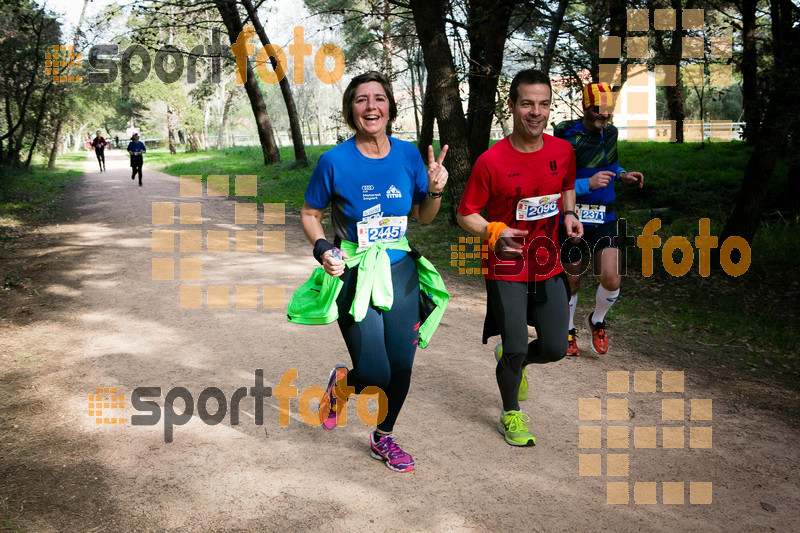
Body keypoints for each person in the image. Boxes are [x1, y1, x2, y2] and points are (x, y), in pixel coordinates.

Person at [288, 71, 449, 473]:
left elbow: (424, 216)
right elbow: (310, 214)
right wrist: (323, 247)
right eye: (361, 100)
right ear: (350, 111)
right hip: (354, 270)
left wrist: (435, 189)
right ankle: (343, 385)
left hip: (400, 269)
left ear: (390, 107)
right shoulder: (334, 161)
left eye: (379, 98)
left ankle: (384, 437)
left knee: (403, 367)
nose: (371, 106)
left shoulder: (409, 155)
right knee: (375, 372)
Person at [457, 69, 582, 447]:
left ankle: (518, 361)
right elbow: (465, 213)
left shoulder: (562, 151)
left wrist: (571, 215)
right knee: (513, 345)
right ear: (511, 105)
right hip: (506, 265)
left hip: (548, 262)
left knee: (556, 348)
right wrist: (492, 232)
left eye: (543, 104)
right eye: (527, 103)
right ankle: (511, 412)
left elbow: (566, 188)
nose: (536, 111)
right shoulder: (491, 161)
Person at [553, 82, 644, 356]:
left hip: (605, 215)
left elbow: (610, 165)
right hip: (571, 216)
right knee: (572, 279)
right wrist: (586, 184)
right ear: (585, 107)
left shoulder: (611, 133)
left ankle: (597, 320)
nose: (604, 116)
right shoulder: (566, 138)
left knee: (612, 278)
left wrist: (623, 174)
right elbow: (555, 181)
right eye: (598, 111)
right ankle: (567, 329)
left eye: (608, 111)